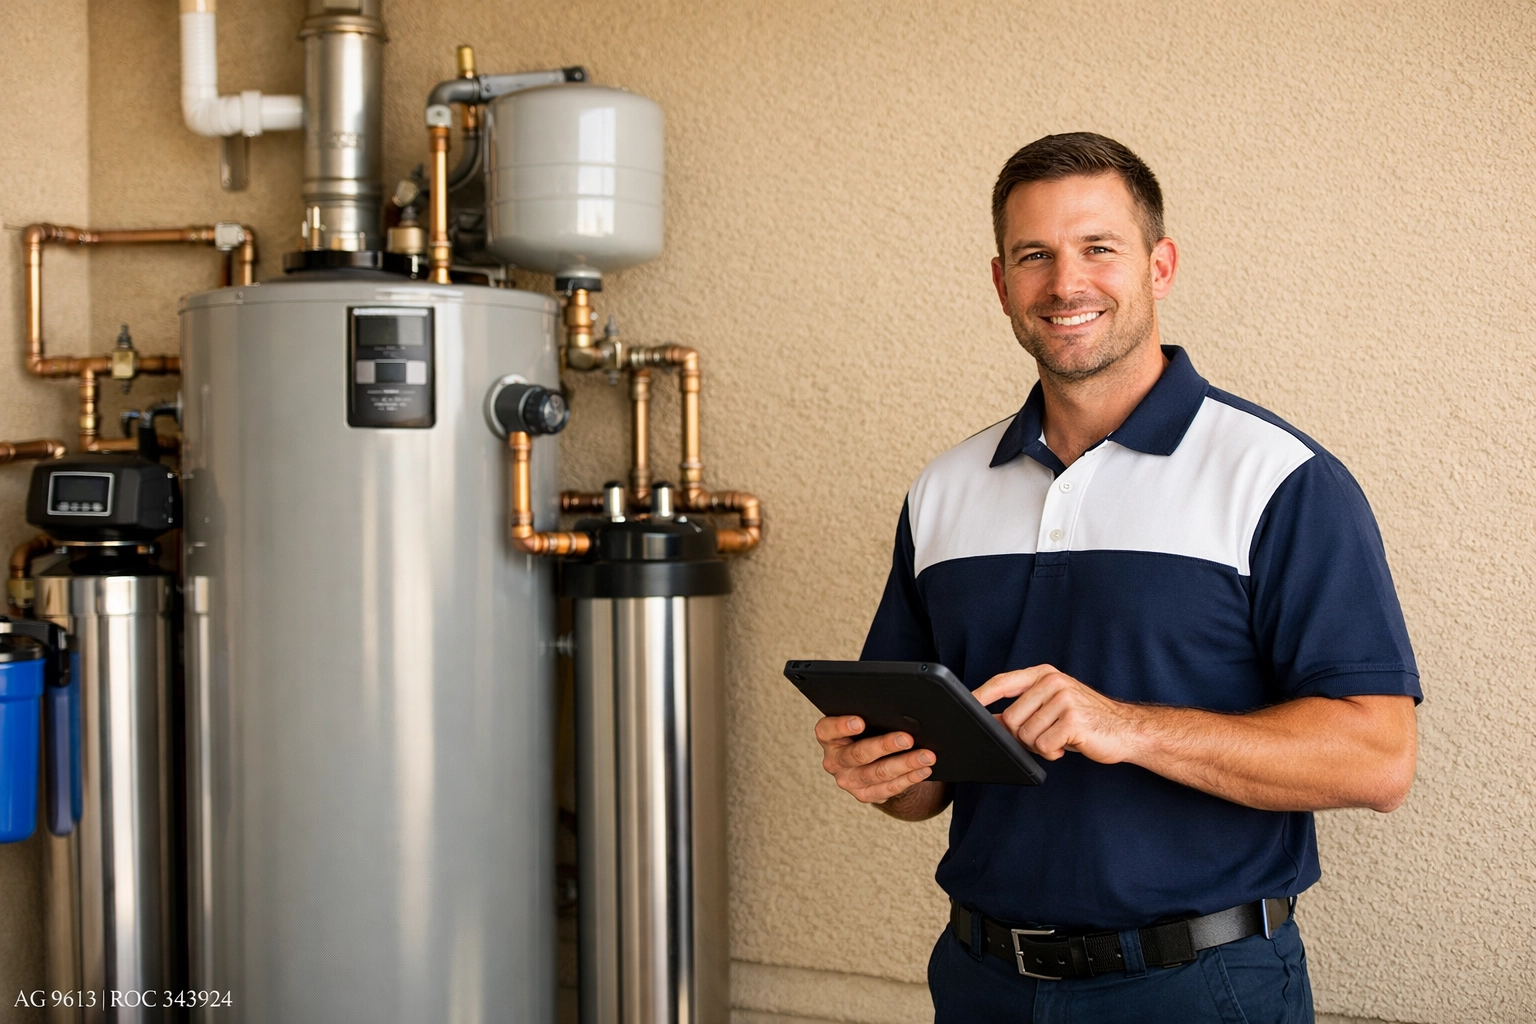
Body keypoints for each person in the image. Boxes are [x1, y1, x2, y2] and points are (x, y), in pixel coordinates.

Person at [813, 132, 1420, 1023]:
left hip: (1198, 987)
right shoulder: (943, 490)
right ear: (1002, 284)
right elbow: (927, 786)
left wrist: (1125, 726)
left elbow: (1379, 759)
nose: (1066, 284)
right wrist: (885, 773)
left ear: (1159, 266)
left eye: (1098, 248)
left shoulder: (1278, 478)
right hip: (983, 982)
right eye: (1035, 256)